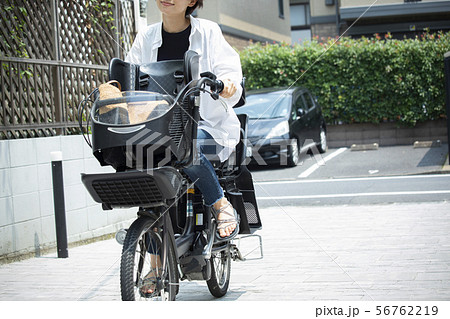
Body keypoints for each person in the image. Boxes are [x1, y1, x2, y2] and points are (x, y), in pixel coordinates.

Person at [125, 0, 242, 240]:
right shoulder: (146, 37)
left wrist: (228, 84)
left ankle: (220, 203)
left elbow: (228, 70)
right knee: (146, 171)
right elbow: (128, 75)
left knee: (186, 142)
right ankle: (156, 265)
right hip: (158, 128)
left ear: (191, 1)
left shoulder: (208, 31)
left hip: (206, 127)